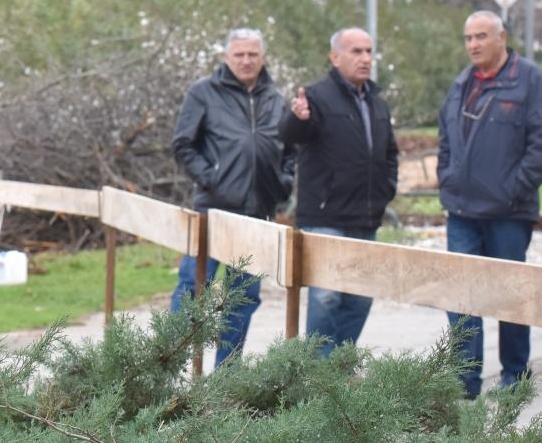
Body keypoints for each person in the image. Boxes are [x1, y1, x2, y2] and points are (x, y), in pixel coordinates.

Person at [437, 10, 542, 398]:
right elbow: (446, 137)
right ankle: (465, 382)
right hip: (462, 212)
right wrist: (448, 178)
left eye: (481, 36)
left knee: (511, 296)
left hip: (509, 213)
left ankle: (514, 376)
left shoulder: (529, 80)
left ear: (502, 37)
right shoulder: (462, 83)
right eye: (468, 37)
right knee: (462, 296)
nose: (473, 44)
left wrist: (513, 189)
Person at [170, 27, 293, 365]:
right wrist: (211, 178)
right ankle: (164, 365)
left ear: (263, 58)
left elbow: (291, 150)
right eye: (239, 54)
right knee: (193, 289)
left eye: (253, 54)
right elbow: (183, 144)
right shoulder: (204, 93)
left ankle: (227, 374)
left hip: (257, 215)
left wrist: (285, 181)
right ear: (226, 57)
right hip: (214, 211)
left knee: (243, 299)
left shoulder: (275, 99)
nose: (246, 60)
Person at [279, 28, 398, 354]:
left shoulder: (376, 102)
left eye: (369, 51)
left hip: (366, 216)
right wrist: (297, 118)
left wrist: (387, 190)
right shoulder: (316, 96)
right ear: (335, 57)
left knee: (360, 297)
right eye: (356, 51)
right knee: (326, 295)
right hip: (325, 215)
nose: (365, 59)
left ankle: (338, 366)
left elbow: (390, 153)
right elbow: (291, 134)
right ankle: (318, 372)